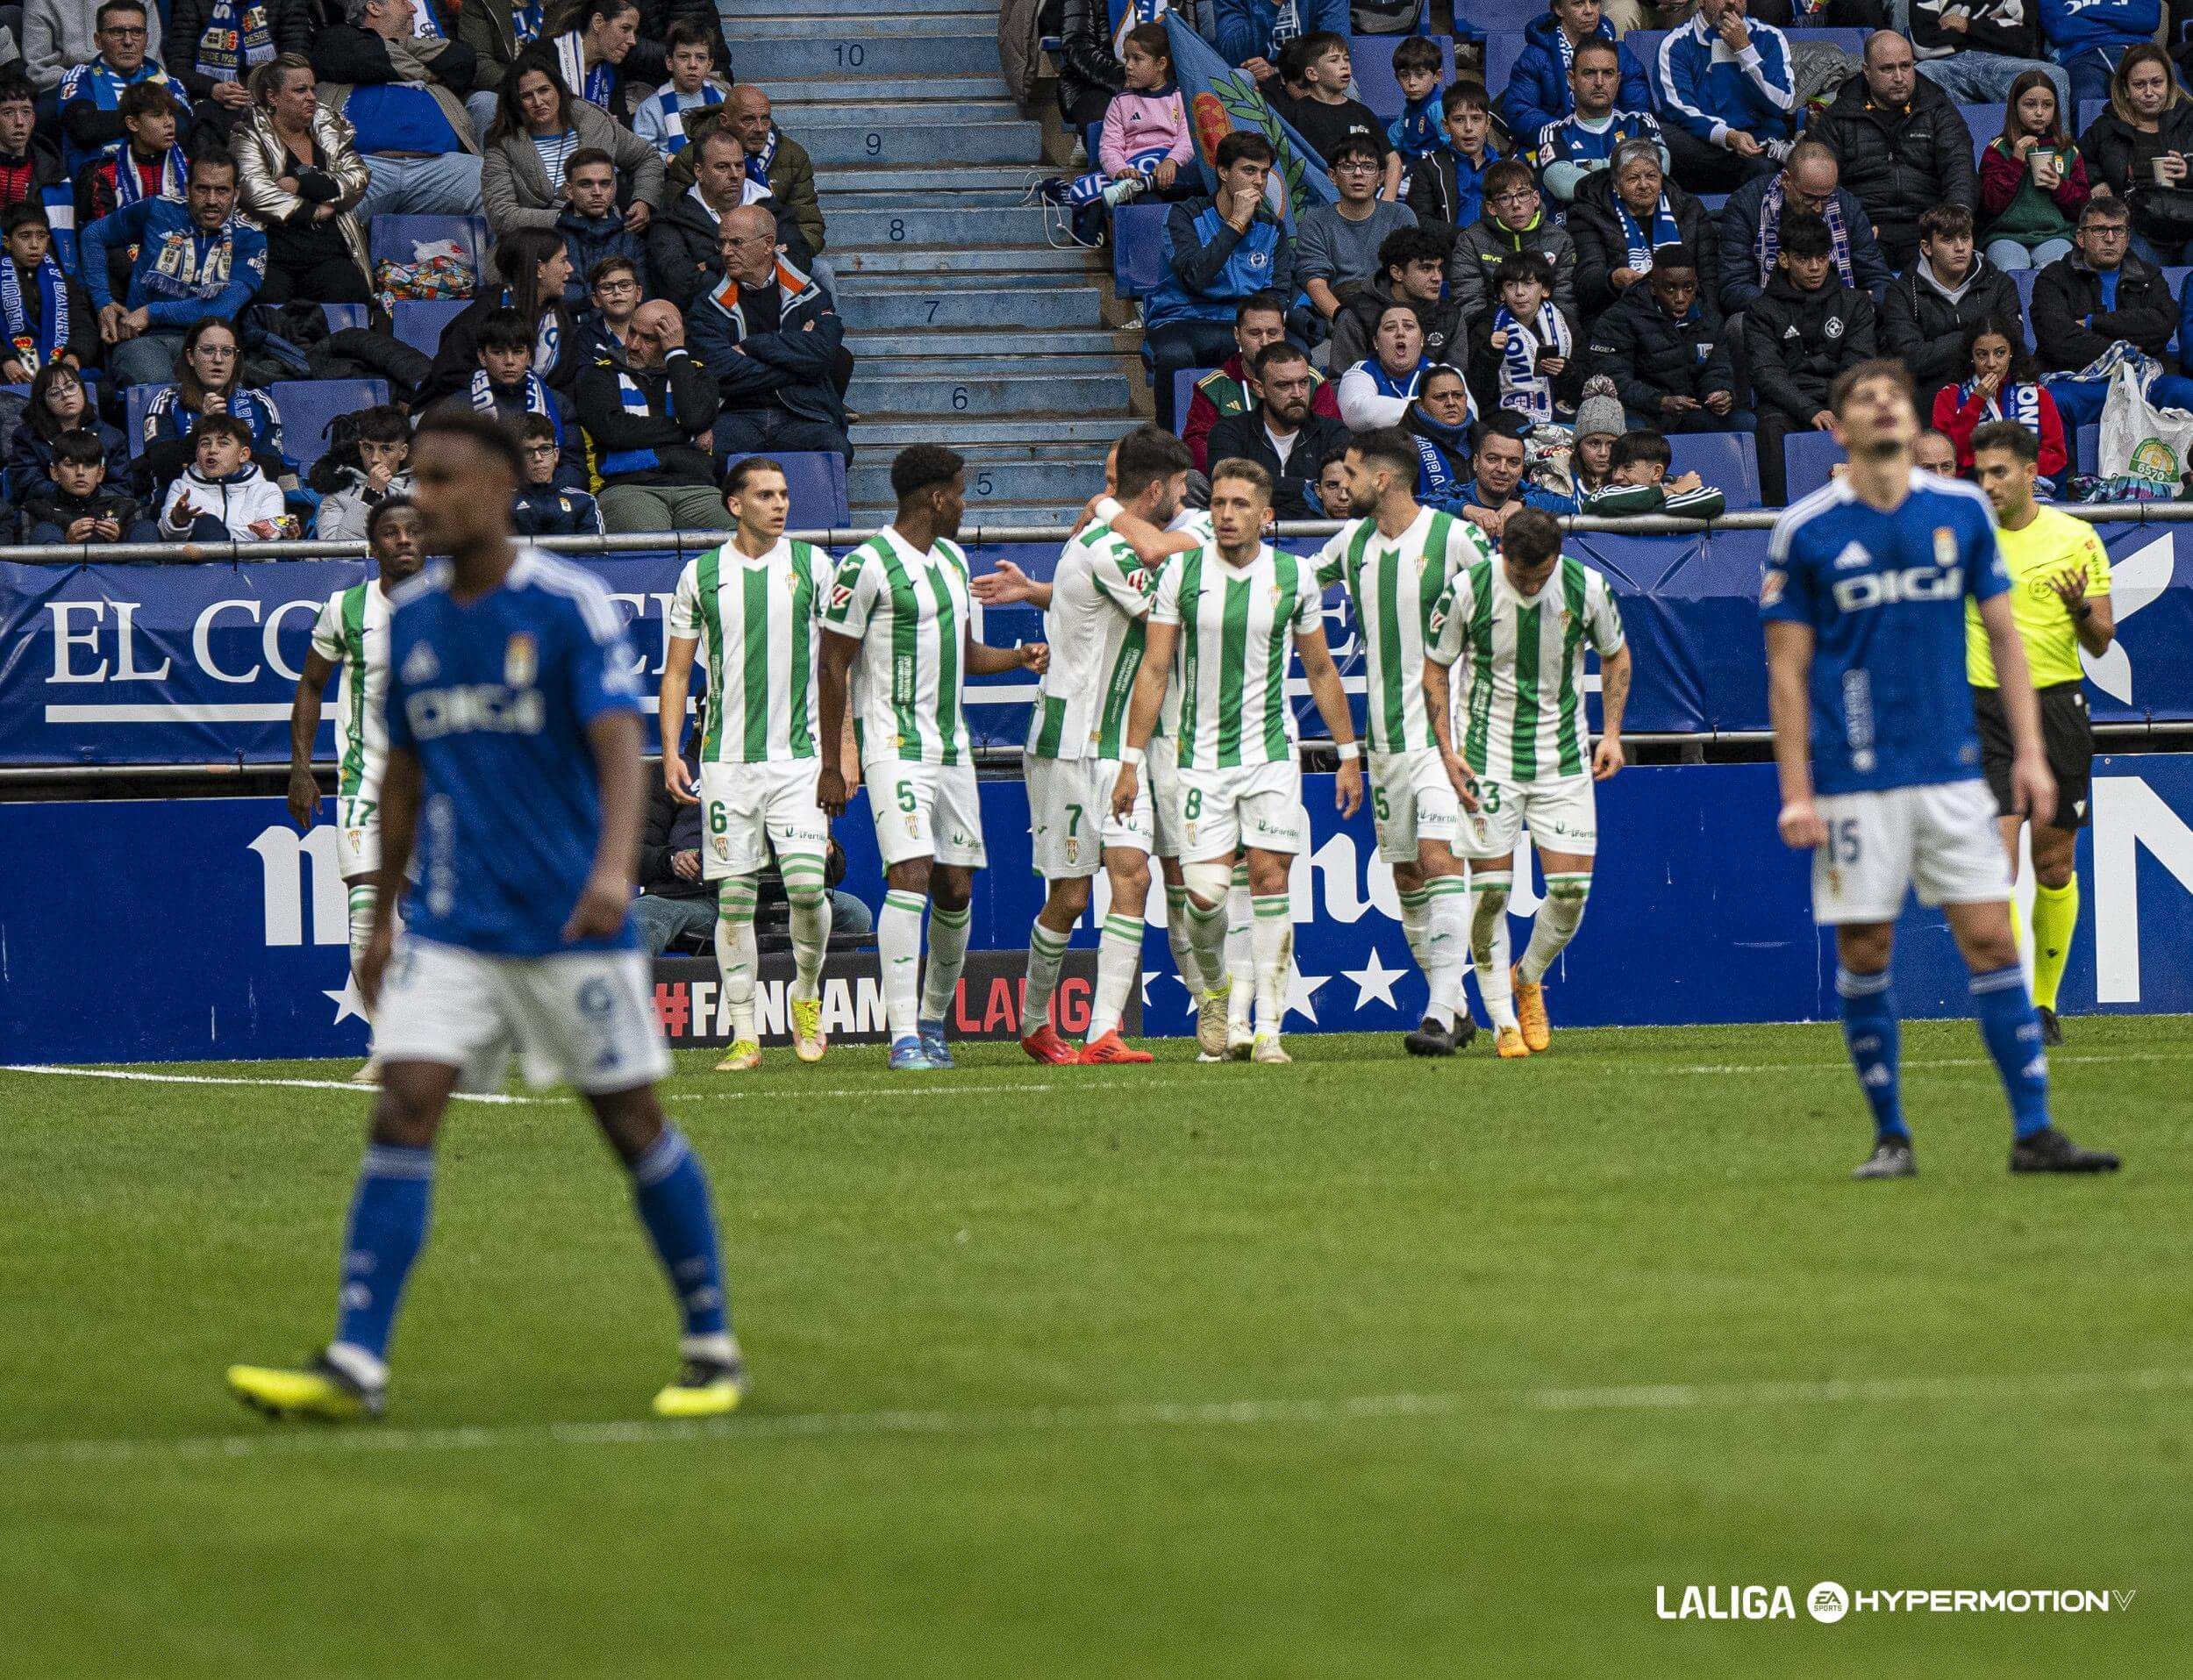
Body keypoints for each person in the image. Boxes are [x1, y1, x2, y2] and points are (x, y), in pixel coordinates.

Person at [227, 407, 749, 1426]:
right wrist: (380, 919)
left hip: (567, 924)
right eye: (416, 480)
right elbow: (409, 772)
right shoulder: (414, 621)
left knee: (632, 1125)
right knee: (403, 1107)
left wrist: (612, 873)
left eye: (443, 480)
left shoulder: (563, 604)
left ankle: (710, 1342)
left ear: (502, 490)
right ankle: (355, 1363)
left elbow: (616, 745)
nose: (422, 500)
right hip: (455, 928)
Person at [1760, 358, 2118, 1177]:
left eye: (1895, 395)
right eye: (1864, 396)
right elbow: (1786, 670)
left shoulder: (1959, 511)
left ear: (1916, 423)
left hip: (1956, 771)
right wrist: (1795, 792)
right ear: (1839, 424)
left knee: (1992, 939)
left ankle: (2034, 1131)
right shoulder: (1805, 530)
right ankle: (1891, 1135)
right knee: (1865, 949)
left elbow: (2005, 637)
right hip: (1855, 781)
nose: (1883, 405)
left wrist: (2029, 752)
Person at [1111, 454, 1361, 1066]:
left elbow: (1322, 669)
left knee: (1273, 881)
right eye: (1218, 503)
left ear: (1266, 514)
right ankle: (1219, 993)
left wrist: (1349, 753)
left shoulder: (1295, 577)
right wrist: (1128, 761)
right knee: (1204, 896)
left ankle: (1270, 1028)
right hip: (1199, 762)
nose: (1225, 514)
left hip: (1271, 757)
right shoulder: (1181, 575)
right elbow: (1155, 669)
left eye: (1239, 504)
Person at [817, 444, 1049, 1070]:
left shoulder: (950, 559)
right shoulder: (865, 565)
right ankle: (902, 1036)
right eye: (960, 491)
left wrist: (1021, 655)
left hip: (951, 746)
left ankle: (932, 1019)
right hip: (893, 744)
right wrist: (836, 760)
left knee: (956, 884)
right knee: (911, 873)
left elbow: (965, 652)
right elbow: (832, 663)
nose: (965, 502)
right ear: (935, 497)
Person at [996, 426, 1195, 1067]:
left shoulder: (1104, 542)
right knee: (1072, 895)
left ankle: (1104, 1031)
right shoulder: (1109, 544)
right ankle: (1034, 1023)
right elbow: (1166, 604)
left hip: (1116, 744)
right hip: (1066, 740)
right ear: (1157, 489)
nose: (1187, 498)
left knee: (1131, 875)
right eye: (1182, 488)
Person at [1310, 427, 1492, 1056]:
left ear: (1382, 479)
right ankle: (1459, 1005)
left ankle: (1439, 1012)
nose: (1343, 487)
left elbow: (1505, 610)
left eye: (1352, 474)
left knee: (1441, 858)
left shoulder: (1457, 539)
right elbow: (1293, 588)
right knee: (1409, 871)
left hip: (1448, 737)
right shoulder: (1354, 542)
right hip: (1384, 738)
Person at [658, 455, 842, 1071]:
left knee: (809, 891)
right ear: (735, 504)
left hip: (798, 762)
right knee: (733, 899)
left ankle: (806, 996)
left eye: (785, 494)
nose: (780, 504)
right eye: (765, 495)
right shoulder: (702, 574)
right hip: (726, 765)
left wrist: (846, 751)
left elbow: (839, 664)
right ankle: (743, 1033)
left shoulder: (815, 565)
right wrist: (670, 752)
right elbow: (678, 671)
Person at [1425, 504, 1630, 1059]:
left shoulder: (1586, 587)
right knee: (1492, 892)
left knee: (1569, 894)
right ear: (1503, 557)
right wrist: (1447, 753)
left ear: (1557, 557)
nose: (1531, 584)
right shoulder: (1469, 589)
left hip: (1562, 761)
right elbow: (1435, 669)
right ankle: (1501, 1023)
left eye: (1540, 575)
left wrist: (1611, 734)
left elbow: (1616, 657)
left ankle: (1529, 976)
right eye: (1521, 575)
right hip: (1488, 759)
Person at [1968, 419, 2114, 1045]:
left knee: (2053, 863)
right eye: (1981, 473)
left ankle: (2043, 1004)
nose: (1989, 483)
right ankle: (2006, 1001)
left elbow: (2101, 640)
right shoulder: (1966, 539)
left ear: (2031, 473)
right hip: (1986, 709)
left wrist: (2080, 606)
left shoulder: (2075, 537)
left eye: (1999, 471)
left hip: (2057, 707)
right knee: (1992, 865)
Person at [284, 497, 425, 1083]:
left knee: (438, 921)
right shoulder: (345, 608)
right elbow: (311, 684)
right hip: (366, 781)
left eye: (413, 530)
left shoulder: (457, 608)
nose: (402, 540)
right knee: (368, 912)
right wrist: (300, 766)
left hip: (442, 785)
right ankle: (387, 1044)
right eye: (389, 532)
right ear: (373, 547)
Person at [1146, 131, 1292, 432]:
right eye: (1248, 170)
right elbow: (1195, 277)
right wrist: (1235, 224)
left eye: (1264, 173)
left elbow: (1278, 294)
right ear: (1224, 173)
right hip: (1183, 318)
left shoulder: (1271, 227)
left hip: (1241, 326)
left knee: (1291, 354)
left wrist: (1257, 330)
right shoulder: (1184, 215)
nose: (1259, 181)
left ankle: (1280, 439)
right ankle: (1170, 443)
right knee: (1175, 355)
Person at [82, 147, 264, 389]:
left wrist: (150, 313)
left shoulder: (250, 237)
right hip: (143, 339)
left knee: (218, 395)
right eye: (202, 189)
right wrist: (103, 301)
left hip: (209, 344)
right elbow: (92, 235)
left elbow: (222, 308)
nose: (211, 200)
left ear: (236, 194)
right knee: (161, 390)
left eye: (222, 191)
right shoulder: (158, 209)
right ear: (187, 188)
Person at [688, 202, 851, 463]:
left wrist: (752, 346)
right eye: (722, 243)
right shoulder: (709, 303)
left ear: (767, 244)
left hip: (801, 412)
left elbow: (822, 355)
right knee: (710, 454)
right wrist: (797, 366)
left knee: (834, 449)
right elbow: (718, 371)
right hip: (736, 413)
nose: (726, 252)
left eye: (736, 243)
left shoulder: (810, 293)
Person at [1811, 31, 1978, 274]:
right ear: (1866, 71)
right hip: (1865, 226)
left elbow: (1960, 167)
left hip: (1927, 225)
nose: (1900, 77)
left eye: (1906, 66)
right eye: (1887, 69)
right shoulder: (1840, 115)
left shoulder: (1937, 107)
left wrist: (1952, 222)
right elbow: (1821, 181)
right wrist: (1849, 225)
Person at [1746, 211, 1881, 506]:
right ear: (1784, 260)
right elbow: (1767, 373)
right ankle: (1776, 518)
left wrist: (1834, 408)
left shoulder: (1855, 303)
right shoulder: (1761, 310)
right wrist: (1810, 410)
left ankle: (1877, 511)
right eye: (1805, 259)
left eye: (1822, 257)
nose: (1816, 267)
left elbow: (1859, 365)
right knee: (1770, 426)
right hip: (1789, 405)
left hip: (1843, 401)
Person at [311, 0, 488, 222]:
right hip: (364, 167)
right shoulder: (340, 50)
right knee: (326, 204)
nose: (413, 8)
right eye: (404, 2)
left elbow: (462, 59)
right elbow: (358, 53)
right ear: (374, 7)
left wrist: (395, 50)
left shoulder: (422, 52)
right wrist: (424, 69)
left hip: (440, 169)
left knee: (490, 185)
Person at [2030, 197, 2193, 430]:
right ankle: (2063, 469)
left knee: (2187, 393)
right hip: (2081, 381)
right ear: (2081, 238)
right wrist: (2125, 351)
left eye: (2118, 230)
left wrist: (2091, 322)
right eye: (2099, 230)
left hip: (2145, 378)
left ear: (2127, 238)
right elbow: (2057, 339)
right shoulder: (2053, 278)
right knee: (2051, 401)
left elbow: (2163, 323)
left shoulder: (2148, 275)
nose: (2110, 238)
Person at [573, 295, 726, 532]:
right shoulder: (599, 376)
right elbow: (615, 431)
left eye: (648, 339)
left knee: (735, 536)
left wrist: (676, 355)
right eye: (632, 332)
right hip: (628, 487)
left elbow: (693, 418)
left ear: (669, 342)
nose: (633, 344)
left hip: (697, 488)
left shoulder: (697, 375)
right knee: (649, 536)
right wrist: (688, 434)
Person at [231, 55, 373, 308]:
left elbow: (358, 178)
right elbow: (255, 192)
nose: (311, 97)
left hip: (328, 255)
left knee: (351, 294)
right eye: (300, 90)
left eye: (312, 89)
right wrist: (313, 211)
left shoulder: (328, 131)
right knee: (265, 305)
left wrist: (301, 184)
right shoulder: (248, 134)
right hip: (272, 255)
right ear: (272, 97)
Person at [481, 54, 661, 241]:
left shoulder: (593, 120)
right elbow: (501, 215)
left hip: (602, 239)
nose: (538, 102)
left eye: (544, 90)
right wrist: (569, 219)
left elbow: (647, 157)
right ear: (515, 101)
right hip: (535, 245)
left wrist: (643, 200)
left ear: (558, 89)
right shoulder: (501, 143)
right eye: (527, 96)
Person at [1716, 139, 1893, 318]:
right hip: (1774, 320)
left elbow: (1880, 280)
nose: (1818, 208)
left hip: (1839, 318)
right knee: (1738, 324)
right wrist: (1800, 308)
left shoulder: (1846, 205)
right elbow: (1734, 287)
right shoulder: (1747, 204)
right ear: (1786, 180)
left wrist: (1861, 303)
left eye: (1826, 198)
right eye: (1809, 198)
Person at [1181, 290, 1339, 472]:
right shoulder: (1214, 388)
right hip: (1235, 487)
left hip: (1302, 482)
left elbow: (1331, 441)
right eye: (1255, 333)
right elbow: (1198, 449)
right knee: (1192, 482)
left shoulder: (1311, 382)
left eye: (1273, 333)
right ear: (1238, 335)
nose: (1265, 342)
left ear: (1284, 334)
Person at [1590, 250, 1746, 433]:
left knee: (1745, 423)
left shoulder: (1709, 317)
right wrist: (1660, 401)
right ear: (1653, 287)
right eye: (1670, 289)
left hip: (1690, 410)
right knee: (1632, 431)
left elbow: (1717, 368)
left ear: (1695, 285)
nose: (1680, 298)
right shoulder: (1618, 318)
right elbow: (1612, 380)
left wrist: (1720, 392)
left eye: (1688, 288)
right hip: (1643, 413)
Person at [1881, 203, 2021, 400]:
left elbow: (2013, 341)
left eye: (1965, 237)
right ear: (1927, 247)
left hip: (1992, 384)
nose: (1960, 248)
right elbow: (1912, 359)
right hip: (1928, 392)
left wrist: (1940, 348)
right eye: (1948, 240)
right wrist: (1974, 337)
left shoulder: (2000, 284)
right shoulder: (1902, 292)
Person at [1566, 140, 1716, 325]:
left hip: (1689, 320)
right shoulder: (1588, 214)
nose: (1644, 185)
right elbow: (1586, 284)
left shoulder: (1690, 209)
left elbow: (1709, 279)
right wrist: (1613, 280)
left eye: (1652, 176)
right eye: (1633, 178)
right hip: (1620, 321)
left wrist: (1709, 326)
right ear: (1616, 183)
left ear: (1661, 176)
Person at [424, 227, 577, 404]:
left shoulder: (560, 318)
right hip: (469, 413)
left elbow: (566, 387)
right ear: (539, 268)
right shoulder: (485, 312)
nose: (570, 269)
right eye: (563, 261)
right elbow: (448, 374)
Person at [1656, 0, 1796, 194]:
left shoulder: (1770, 37)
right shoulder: (1677, 43)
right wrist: (1728, 136)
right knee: (1660, 136)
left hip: (1753, 151)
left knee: (1765, 167)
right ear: (1702, 1)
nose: (1731, 2)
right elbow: (1679, 108)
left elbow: (1782, 104)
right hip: (1702, 147)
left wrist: (1745, 51)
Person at [138, 315, 285, 495]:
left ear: (235, 358)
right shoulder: (166, 401)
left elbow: (269, 471)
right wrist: (202, 430)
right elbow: (166, 470)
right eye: (208, 350)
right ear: (191, 357)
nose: (218, 359)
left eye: (227, 351)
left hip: (246, 508)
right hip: (183, 508)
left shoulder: (259, 402)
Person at [2075, 44, 2193, 266]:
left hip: (2189, 224)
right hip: (2140, 229)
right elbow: (2078, 157)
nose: (2149, 92)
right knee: (2137, 276)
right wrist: (2096, 181)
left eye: (2157, 82)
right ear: (2126, 89)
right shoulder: (2107, 125)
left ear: (2169, 84)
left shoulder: (2189, 117)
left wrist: (2187, 171)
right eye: (2139, 85)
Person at [1206, 339, 1350, 518]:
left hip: (1319, 540)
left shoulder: (1333, 431)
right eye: (1284, 385)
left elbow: (1341, 492)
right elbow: (1230, 486)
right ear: (1259, 388)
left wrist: (1264, 493)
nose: (1298, 394)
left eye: (1304, 383)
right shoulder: (1229, 432)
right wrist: (1307, 487)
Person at [446, 306, 582, 488]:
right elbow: (445, 472)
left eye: (517, 351)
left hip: (548, 504)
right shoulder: (457, 408)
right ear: (482, 356)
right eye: (498, 352)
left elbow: (575, 468)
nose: (509, 360)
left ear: (529, 356)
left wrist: (535, 493)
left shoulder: (558, 404)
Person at [1445, 160, 1576, 345]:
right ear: (1492, 208)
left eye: (1523, 194)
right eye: (1505, 198)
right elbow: (1469, 303)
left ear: (1536, 198)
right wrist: (1495, 337)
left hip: (1549, 334)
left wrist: (1552, 338)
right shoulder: (1471, 240)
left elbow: (1564, 300)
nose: (1516, 204)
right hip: (1492, 334)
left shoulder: (1559, 239)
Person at [1527, 38, 1666, 211]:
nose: (1599, 82)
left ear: (1618, 79)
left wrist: (1592, 167)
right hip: (1576, 231)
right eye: (1589, 73)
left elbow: (1660, 170)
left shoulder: (1641, 123)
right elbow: (1564, 186)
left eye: (1608, 73)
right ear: (1571, 79)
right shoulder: (1551, 132)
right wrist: (1630, 175)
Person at [646, 125, 773, 311]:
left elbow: (796, 258)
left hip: (775, 311)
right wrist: (754, 271)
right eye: (722, 167)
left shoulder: (767, 204)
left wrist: (711, 264)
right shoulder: (671, 221)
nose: (735, 175)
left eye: (739, 165)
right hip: (710, 320)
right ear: (699, 172)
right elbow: (681, 286)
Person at [58, 1, 189, 179]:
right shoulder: (80, 77)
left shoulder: (167, 82)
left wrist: (118, 123)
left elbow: (182, 128)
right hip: (99, 187)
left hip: (161, 183)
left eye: (136, 32)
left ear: (146, 39)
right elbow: (84, 127)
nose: (128, 41)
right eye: (117, 32)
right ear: (98, 40)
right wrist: (150, 123)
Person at [1297, 136, 1417, 327]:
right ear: (1332, 176)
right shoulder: (1315, 220)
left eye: (1368, 167)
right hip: (1339, 308)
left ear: (1380, 177)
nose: (1358, 174)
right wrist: (1344, 320)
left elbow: (1412, 276)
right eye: (1348, 166)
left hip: (1393, 308)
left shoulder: (1399, 215)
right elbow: (1315, 282)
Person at [1263, 31, 1398, 197]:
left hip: (1363, 205)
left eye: (1346, 59)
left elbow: (1392, 159)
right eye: (1334, 60)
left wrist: (1388, 199)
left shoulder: (1362, 112)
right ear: (1312, 74)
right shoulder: (1294, 114)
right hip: (1315, 205)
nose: (1344, 65)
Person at [1979, 70, 2089, 273]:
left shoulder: (2067, 150)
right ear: (2015, 107)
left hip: (2055, 235)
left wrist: (2059, 186)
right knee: (2012, 269)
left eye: (2047, 105)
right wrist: (2016, 162)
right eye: (2030, 104)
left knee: (2058, 271)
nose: (2039, 112)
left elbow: (2082, 208)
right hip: (2005, 236)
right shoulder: (1998, 149)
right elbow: (1989, 204)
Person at [720, 87, 827, 282]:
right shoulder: (701, 155)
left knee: (823, 272)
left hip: (780, 251)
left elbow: (809, 225)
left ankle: (825, 315)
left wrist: (784, 256)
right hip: (722, 255)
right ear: (725, 121)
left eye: (765, 119)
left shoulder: (792, 156)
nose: (760, 128)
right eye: (749, 120)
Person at [164, 0, 311, 140]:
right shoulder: (192, 3)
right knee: (205, 123)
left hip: (272, 95)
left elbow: (297, 60)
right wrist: (213, 88)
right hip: (213, 100)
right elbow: (178, 67)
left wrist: (264, 91)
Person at [1328, 225, 1462, 373]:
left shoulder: (1451, 315)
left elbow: (1458, 382)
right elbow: (1340, 381)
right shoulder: (1356, 315)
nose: (1437, 278)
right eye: (1426, 268)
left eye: (1439, 268)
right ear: (1397, 273)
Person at [1911, 0, 2072, 114]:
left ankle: (2061, 159)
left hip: (2001, 64)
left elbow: (2021, 41)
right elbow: (1923, 44)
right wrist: (1992, 32)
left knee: (2055, 77)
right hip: (1945, 65)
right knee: (1909, 78)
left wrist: (1968, 26)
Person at [3, 360, 126, 506]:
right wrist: (74, 497)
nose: (66, 395)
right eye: (55, 393)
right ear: (43, 401)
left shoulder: (111, 437)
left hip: (101, 513)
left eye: (71, 387)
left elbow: (122, 488)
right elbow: (29, 487)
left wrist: (89, 500)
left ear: (82, 390)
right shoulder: (27, 437)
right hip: (49, 514)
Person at [159, 412, 296, 541]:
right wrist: (178, 520)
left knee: (208, 524)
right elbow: (166, 534)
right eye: (205, 444)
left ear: (243, 455)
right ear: (197, 455)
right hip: (199, 565)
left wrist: (281, 527)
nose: (212, 450)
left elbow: (270, 535)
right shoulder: (182, 487)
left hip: (251, 566)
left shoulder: (266, 490)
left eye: (223, 443)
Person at [1481, 251, 1579, 429]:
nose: (1519, 292)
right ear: (1502, 294)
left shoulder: (1567, 325)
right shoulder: (1486, 327)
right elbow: (1477, 395)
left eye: (1528, 284)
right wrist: (1490, 355)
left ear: (1545, 290)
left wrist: (1566, 372)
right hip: (1505, 416)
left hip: (1561, 411)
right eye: (1511, 285)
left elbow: (1584, 390)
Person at [1401, 79, 1500, 250]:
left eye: (1476, 119)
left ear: (1488, 124)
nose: (1468, 128)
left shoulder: (1504, 168)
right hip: (1449, 257)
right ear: (1446, 126)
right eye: (1459, 120)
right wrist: (1464, 237)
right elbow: (1419, 220)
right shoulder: (1429, 168)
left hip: (1498, 256)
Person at [76, 76, 186, 227]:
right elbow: (103, 237)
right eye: (157, 115)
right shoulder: (106, 174)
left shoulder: (192, 168)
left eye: (171, 114)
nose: (169, 122)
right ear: (133, 123)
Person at [0, 201, 90, 381]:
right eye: (25, 236)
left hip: (58, 368)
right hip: (9, 369)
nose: (34, 244)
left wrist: (74, 355)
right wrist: (5, 361)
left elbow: (83, 326)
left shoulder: (63, 279)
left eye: (41, 236)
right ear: (7, 242)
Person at [22, 427, 160, 544]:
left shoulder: (127, 508)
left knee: (145, 529)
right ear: (54, 472)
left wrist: (120, 541)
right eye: (70, 464)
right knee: (46, 531)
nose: (80, 472)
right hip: (58, 576)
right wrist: (66, 542)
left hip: (119, 576)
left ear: (100, 473)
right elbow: (24, 569)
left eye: (88, 465)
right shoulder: (35, 510)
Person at [550, 147, 648, 309]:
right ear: (569, 191)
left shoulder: (633, 243)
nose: (597, 192)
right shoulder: (550, 243)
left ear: (612, 188)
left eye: (604, 184)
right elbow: (555, 301)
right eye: (586, 184)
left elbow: (641, 300)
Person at [1447, 411, 1570, 536]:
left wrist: (1522, 503)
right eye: (1492, 459)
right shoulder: (1456, 494)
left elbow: (1571, 506)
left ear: (1521, 469)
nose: (1502, 469)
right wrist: (1466, 509)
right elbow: (1430, 503)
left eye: (1513, 462)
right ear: (1476, 462)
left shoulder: (1526, 491)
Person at [631, 20, 727, 161]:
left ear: (709, 65)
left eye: (700, 58)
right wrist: (668, 159)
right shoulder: (651, 108)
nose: (692, 65)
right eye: (684, 57)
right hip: (670, 178)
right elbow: (642, 154)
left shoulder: (724, 101)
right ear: (670, 63)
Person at [25, 0, 164, 98]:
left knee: (177, 124)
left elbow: (149, 57)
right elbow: (38, 69)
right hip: (70, 86)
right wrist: (89, 84)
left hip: (136, 85)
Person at [1581, 427, 1730, 518]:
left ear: (1657, 472)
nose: (1617, 476)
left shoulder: (1672, 485)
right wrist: (1674, 490)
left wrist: (1637, 509)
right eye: (1614, 468)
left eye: (1627, 467)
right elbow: (1602, 504)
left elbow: (1714, 500)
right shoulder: (1608, 491)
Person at [315, 404, 414, 540]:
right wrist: (369, 499)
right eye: (368, 448)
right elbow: (334, 555)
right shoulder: (338, 492)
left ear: (403, 452)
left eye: (386, 449)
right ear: (360, 447)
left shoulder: (427, 487)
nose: (375, 459)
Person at [2041, 0, 2157, 110]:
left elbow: (2149, 20)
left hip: (2138, 51)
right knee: (2087, 94)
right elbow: (2061, 31)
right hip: (2081, 55)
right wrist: (2121, 23)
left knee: (2165, 84)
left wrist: (2084, 10)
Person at [1337, 300, 1433, 429]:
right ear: (1376, 342)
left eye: (1409, 326)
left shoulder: (1442, 373)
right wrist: (1431, 412)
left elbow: (1465, 415)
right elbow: (1361, 414)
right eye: (1390, 328)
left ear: (1421, 340)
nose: (1400, 333)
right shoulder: (1362, 371)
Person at [543, 0, 641, 122]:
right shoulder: (544, 56)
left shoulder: (612, 71)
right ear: (598, 22)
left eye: (634, 32)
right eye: (625, 28)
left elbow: (624, 129)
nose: (633, 41)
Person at [1212, 0, 1353, 85]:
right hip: (1257, 81)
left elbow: (1336, 51)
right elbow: (1232, 55)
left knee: (1342, 81)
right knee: (1239, 79)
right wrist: (1272, 4)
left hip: (1306, 78)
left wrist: (1278, 72)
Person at [511, 410, 605, 533]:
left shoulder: (583, 501)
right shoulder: (501, 504)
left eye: (545, 449)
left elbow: (595, 553)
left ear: (556, 455)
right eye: (528, 451)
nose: (538, 458)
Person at [1404, 362, 1481, 511]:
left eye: (1457, 396)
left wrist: (1518, 501)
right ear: (1421, 404)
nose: (1451, 403)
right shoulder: (1401, 446)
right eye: (1441, 397)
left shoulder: (1486, 438)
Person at [0, 73, 66, 214]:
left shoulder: (54, 173)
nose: (19, 121)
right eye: (8, 113)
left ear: (34, 118)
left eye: (26, 112)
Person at [1384, 33, 1446, 167]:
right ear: (1397, 77)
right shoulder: (1409, 109)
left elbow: (1453, 146)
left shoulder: (1438, 108)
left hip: (1433, 174)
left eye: (1420, 75)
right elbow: (1391, 140)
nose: (1411, 82)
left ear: (1437, 76)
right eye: (1405, 76)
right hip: (1409, 170)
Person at [575, 251, 642, 362]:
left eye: (625, 285)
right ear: (596, 299)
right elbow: (586, 377)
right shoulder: (584, 340)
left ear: (638, 293)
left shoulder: (656, 330)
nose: (617, 292)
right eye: (607, 287)